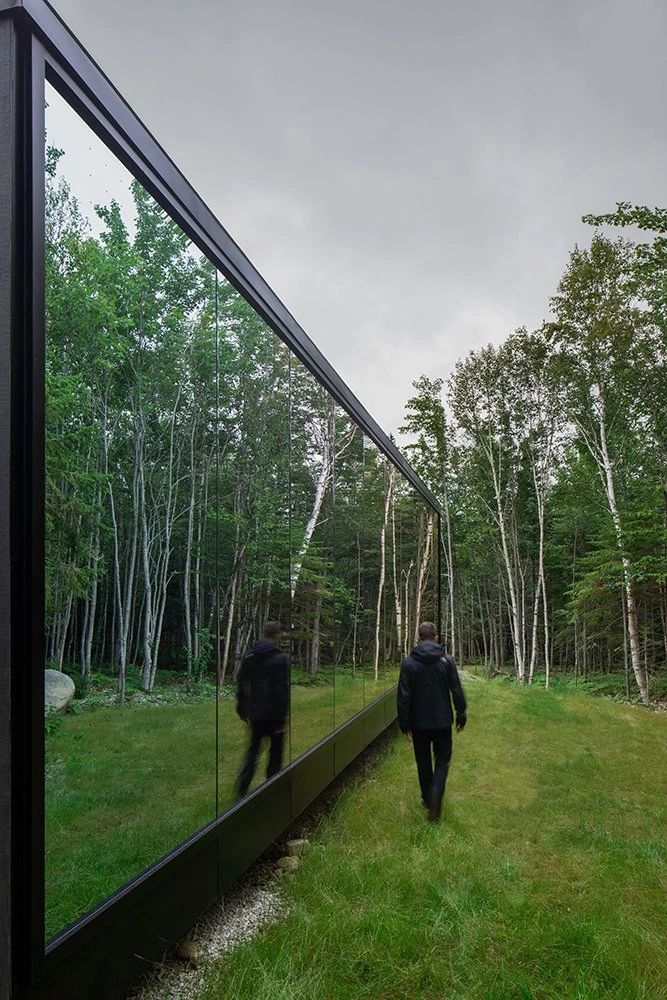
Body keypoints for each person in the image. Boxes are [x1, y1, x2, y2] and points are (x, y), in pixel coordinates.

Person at [397, 621, 466, 822]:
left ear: (418, 638)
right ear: (436, 637)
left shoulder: (409, 663)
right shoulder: (446, 660)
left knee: (423, 760)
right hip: (442, 721)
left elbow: (403, 696)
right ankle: (436, 794)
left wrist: (404, 723)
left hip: (418, 723)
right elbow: (456, 690)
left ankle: (428, 798)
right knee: (442, 759)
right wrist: (461, 714)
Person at [236, 621, 289, 798]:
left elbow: (242, 685)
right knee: (275, 755)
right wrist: (282, 717)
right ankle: (273, 790)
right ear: (277, 635)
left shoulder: (250, 656)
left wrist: (242, 709)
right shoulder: (280, 659)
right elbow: (282, 691)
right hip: (274, 717)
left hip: (256, 714)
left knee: (253, 752)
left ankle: (242, 788)